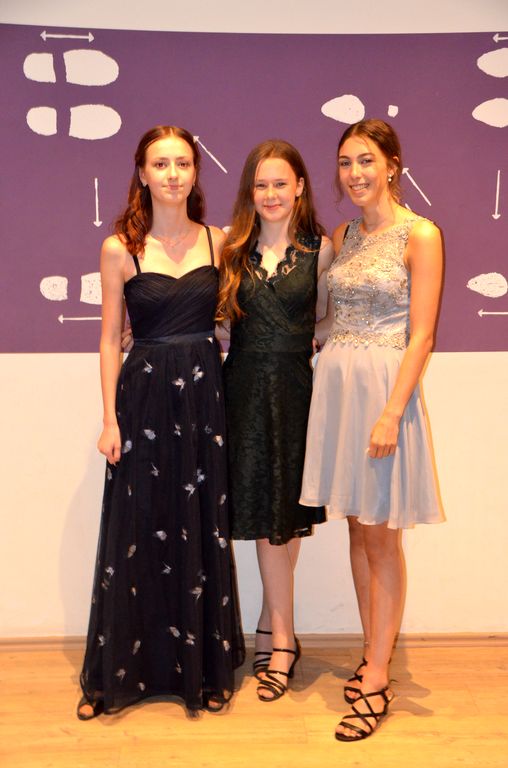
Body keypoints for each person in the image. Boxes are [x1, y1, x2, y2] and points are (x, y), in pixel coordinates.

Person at [78, 125, 244, 720]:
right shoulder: (119, 248)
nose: (173, 174)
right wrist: (109, 419)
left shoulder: (220, 241)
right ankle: (124, 674)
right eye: (161, 164)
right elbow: (108, 339)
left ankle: (203, 670)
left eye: (182, 163)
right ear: (142, 173)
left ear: (195, 171)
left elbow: (231, 321)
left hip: (203, 400)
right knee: (139, 527)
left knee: (199, 527)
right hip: (143, 399)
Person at [300, 119, 444, 740]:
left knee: (383, 537)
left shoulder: (421, 234)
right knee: (358, 531)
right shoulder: (345, 235)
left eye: (366, 160)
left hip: (385, 393)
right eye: (345, 162)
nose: (354, 173)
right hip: (339, 390)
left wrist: (391, 411)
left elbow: (423, 335)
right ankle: (371, 652)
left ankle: (379, 676)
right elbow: (330, 322)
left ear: (392, 165)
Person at [217, 140, 334, 702]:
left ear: (300, 187)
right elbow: (218, 322)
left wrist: (307, 339)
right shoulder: (229, 249)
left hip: (295, 393)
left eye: (280, 183)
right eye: (260, 185)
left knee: (285, 515)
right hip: (241, 392)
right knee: (268, 518)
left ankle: (270, 627)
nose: (270, 194)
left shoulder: (320, 250)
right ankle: (283, 638)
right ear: (250, 191)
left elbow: (331, 317)